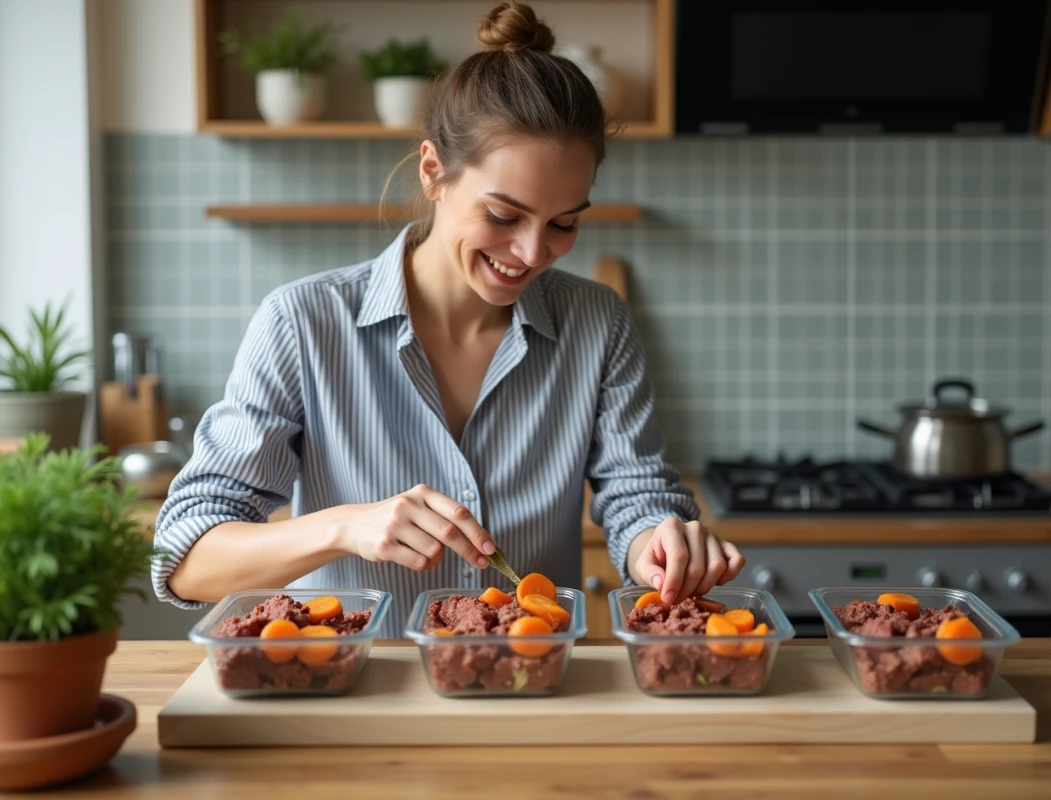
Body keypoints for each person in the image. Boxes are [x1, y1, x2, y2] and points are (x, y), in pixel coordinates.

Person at [153, 1, 744, 637]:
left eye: (564, 222)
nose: (531, 253)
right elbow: (182, 558)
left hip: (528, 695)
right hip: (352, 697)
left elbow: (636, 499)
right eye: (503, 215)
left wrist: (661, 544)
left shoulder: (598, 322)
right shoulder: (302, 324)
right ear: (433, 172)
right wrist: (343, 525)